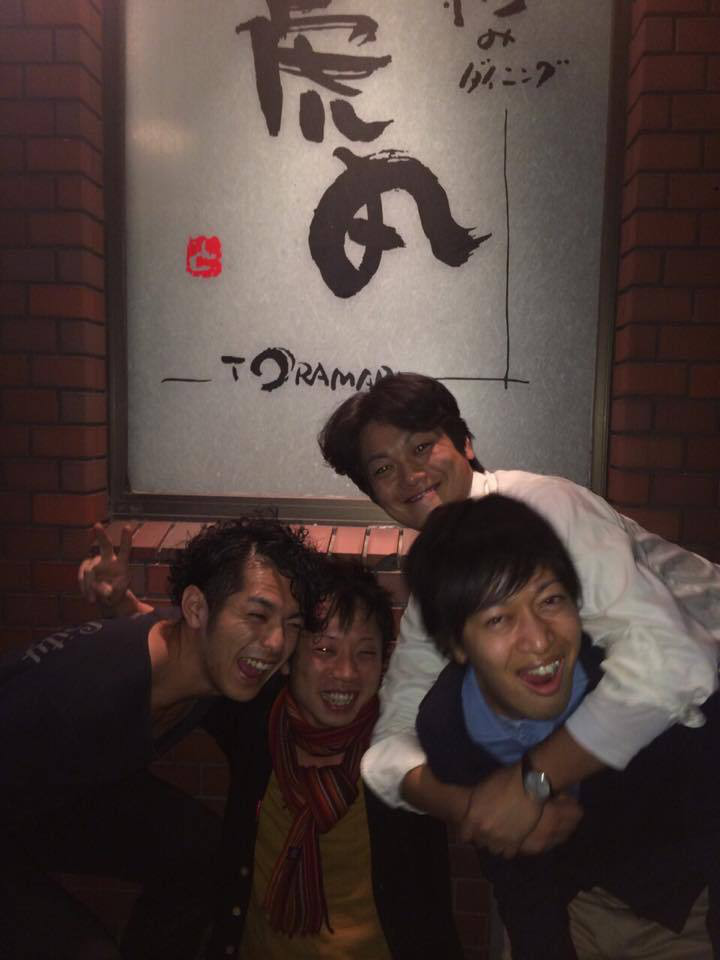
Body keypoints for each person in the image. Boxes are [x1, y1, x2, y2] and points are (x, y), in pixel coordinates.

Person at [318, 371, 720, 860]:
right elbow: (391, 736)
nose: (410, 475)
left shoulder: (544, 510)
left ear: (465, 444)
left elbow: (674, 662)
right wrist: (471, 807)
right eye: (384, 469)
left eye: (422, 447)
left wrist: (531, 783)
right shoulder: (438, 580)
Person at [0, 517, 326, 960]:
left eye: (291, 624)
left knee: (198, 850)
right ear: (197, 609)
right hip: (21, 791)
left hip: (59, 790)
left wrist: (120, 602)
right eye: (256, 615)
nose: (275, 642)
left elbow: (148, 622)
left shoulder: (197, 651)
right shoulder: (87, 697)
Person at [406, 494, 717, 959]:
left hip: (686, 911)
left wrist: (533, 785)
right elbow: (515, 876)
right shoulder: (449, 728)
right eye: (498, 618)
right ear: (455, 644)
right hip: (575, 909)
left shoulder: (646, 686)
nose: (539, 640)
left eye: (550, 600)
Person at [204, 558, 462, 959]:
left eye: (365, 653)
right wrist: (124, 610)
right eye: (325, 649)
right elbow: (188, 666)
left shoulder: (406, 747)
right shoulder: (255, 723)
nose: (346, 673)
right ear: (289, 655)